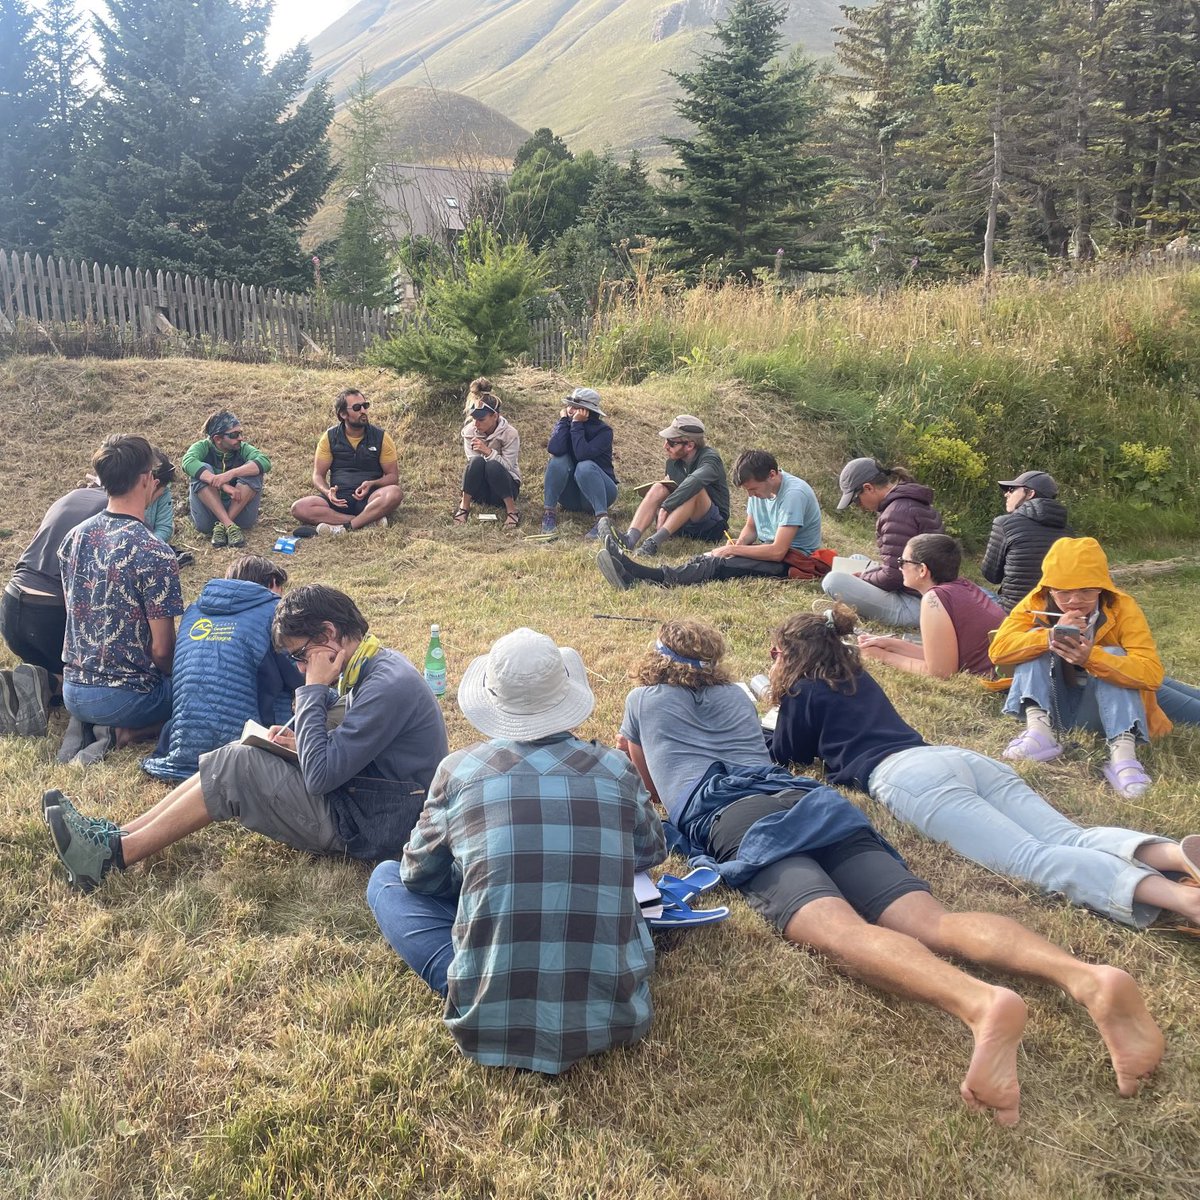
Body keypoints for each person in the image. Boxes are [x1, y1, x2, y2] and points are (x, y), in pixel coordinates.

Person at [619, 619, 1164, 1125]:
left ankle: (980, 1003)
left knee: (838, 931)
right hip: (810, 799)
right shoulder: (737, 697)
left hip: (733, 814)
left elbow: (640, 771)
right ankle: (1084, 977)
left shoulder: (643, 698)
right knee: (932, 920)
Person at [767, 603, 1200, 931]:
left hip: (905, 776)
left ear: (788, 655)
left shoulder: (803, 692)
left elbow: (790, 755)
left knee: (1030, 858)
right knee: (1069, 835)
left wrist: (771, 708)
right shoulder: (858, 676)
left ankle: (1182, 901)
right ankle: (1173, 855)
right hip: (955, 758)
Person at [368, 627, 666, 1074]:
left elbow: (416, 876)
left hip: (486, 1018)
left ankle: (475, 975)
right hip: (617, 1013)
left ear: (492, 700)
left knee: (385, 880)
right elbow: (649, 850)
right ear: (566, 691)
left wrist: (472, 873)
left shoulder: (459, 771)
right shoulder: (616, 770)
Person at [43, 585, 449, 894]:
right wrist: (296, 743)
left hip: (371, 823)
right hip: (367, 799)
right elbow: (347, 748)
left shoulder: (385, 685)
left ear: (329, 634)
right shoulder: (375, 666)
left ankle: (111, 857)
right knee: (232, 754)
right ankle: (118, 835)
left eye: (301, 655)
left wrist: (311, 691)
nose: (301, 666)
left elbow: (321, 777)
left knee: (235, 767)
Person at [990, 536, 1200, 797]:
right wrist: (1048, 635)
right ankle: (1039, 734)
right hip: (1058, 706)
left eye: (1087, 591)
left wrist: (1091, 658)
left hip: (1111, 705)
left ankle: (1123, 757)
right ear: (1049, 589)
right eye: (1063, 592)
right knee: (1036, 643)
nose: (1074, 600)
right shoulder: (1036, 602)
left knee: (1123, 660)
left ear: (1102, 588)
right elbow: (998, 650)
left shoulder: (1122, 606)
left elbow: (1152, 675)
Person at [2, 453, 178, 742]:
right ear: (148, 482)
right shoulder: (141, 542)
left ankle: (48, 683)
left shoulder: (75, 510)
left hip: (13, 604)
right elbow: (155, 647)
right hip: (48, 612)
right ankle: (108, 724)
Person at [57, 435, 184, 758]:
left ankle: (85, 724)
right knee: (199, 691)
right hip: (129, 697)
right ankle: (124, 732)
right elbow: (162, 650)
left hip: (72, 689)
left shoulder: (74, 537)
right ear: (146, 479)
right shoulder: (155, 552)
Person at [141, 555, 303, 782]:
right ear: (272, 583)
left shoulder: (193, 611)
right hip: (243, 743)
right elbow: (298, 676)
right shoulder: (273, 610)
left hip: (182, 742)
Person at [595, 449, 823, 591]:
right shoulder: (762, 489)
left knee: (718, 564)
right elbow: (751, 528)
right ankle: (630, 571)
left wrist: (731, 552)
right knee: (707, 557)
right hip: (768, 550)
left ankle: (644, 577)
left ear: (772, 475)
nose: (751, 496)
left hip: (791, 561)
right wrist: (737, 544)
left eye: (753, 490)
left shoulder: (794, 494)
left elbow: (777, 552)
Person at [857, 533, 1005, 677]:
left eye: (903, 562)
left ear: (922, 570)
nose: (900, 567)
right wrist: (890, 645)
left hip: (1000, 681)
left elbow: (941, 672)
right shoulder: (962, 586)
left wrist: (880, 656)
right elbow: (940, 657)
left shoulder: (934, 598)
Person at [822, 457, 943, 628]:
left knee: (832, 581)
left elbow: (894, 576)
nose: (859, 506)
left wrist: (864, 578)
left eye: (856, 500)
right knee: (856, 559)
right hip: (924, 591)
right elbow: (898, 567)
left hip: (917, 604)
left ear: (868, 488)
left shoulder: (897, 513)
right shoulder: (907, 502)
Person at [612, 414, 729, 556]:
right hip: (683, 522)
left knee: (695, 490)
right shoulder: (673, 462)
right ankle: (630, 539)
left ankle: (653, 543)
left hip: (712, 526)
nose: (665, 446)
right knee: (659, 486)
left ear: (690, 445)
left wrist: (666, 507)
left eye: (672, 443)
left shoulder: (710, 458)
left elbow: (695, 481)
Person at [291, 389, 404, 534]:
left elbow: (393, 477)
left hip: (370, 498)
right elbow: (318, 475)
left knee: (394, 493)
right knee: (299, 508)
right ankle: (366, 521)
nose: (363, 411)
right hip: (339, 499)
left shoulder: (381, 437)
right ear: (343, 414)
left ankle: (346, 527)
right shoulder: (329, 437)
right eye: (357, 408)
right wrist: (328, 492)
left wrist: (372, 484)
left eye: (365, 405)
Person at [981, 470, 1072, 612]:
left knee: (967, 591)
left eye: (1011, 489)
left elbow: (991, 576)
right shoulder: (1069, 532)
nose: (1006, 494)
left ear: (1030, 494)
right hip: (1054, 615)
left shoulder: (1004, 523)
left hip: (1014, 613)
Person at [182, 410, 271, 547]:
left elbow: (265, 462)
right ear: (217, 439)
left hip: (240, 515)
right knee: (201, 471)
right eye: (234, 435)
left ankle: (224, 525)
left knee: (253, 469)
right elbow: (187, 462)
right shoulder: (202, 447)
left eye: (241, 433)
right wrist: (221, 484)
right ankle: (228, 524)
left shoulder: (242, 448)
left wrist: (230, 474)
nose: (240, 438)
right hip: (208, 519)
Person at [540, 387, 618, 538]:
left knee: (585, 466)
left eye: (576, 407)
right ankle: (549, 514)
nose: (570, 409)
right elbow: (554, 449)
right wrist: (563, 422)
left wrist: (577, 425)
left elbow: (583, 454)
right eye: (569, 405)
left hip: (601, 493)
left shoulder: (604, 431)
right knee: (558, 460)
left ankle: (602, 521)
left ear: (588, 411)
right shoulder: (565, 424)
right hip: (570, 498)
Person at [454, 396, 521, 528]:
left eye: (481, 419)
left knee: (493, 465)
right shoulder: (469, 431)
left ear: (495, 416)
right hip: (480, 490)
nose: (476, 424)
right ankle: (464, 507)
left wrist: (488, 452)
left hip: (505, 488)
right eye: (474, 419)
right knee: (476, 461)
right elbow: (472, 466)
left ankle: (512, 511)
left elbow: (508, 466)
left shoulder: (510, 434)